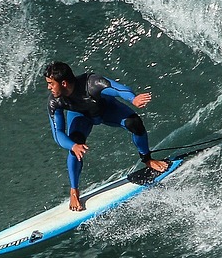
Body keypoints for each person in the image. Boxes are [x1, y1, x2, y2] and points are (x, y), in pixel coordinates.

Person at [45, 61, 169, 211]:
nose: (49, 87)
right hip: (81, 117)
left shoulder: (92, 83)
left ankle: (148, 159)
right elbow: (58, 133)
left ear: (63, 83)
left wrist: (133, 98)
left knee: (134, 123)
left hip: (106, 109)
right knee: (74, 146)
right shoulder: (54, 101)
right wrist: (73, 146)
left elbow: (117, 88)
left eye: (51, 83)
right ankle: (74, 191)